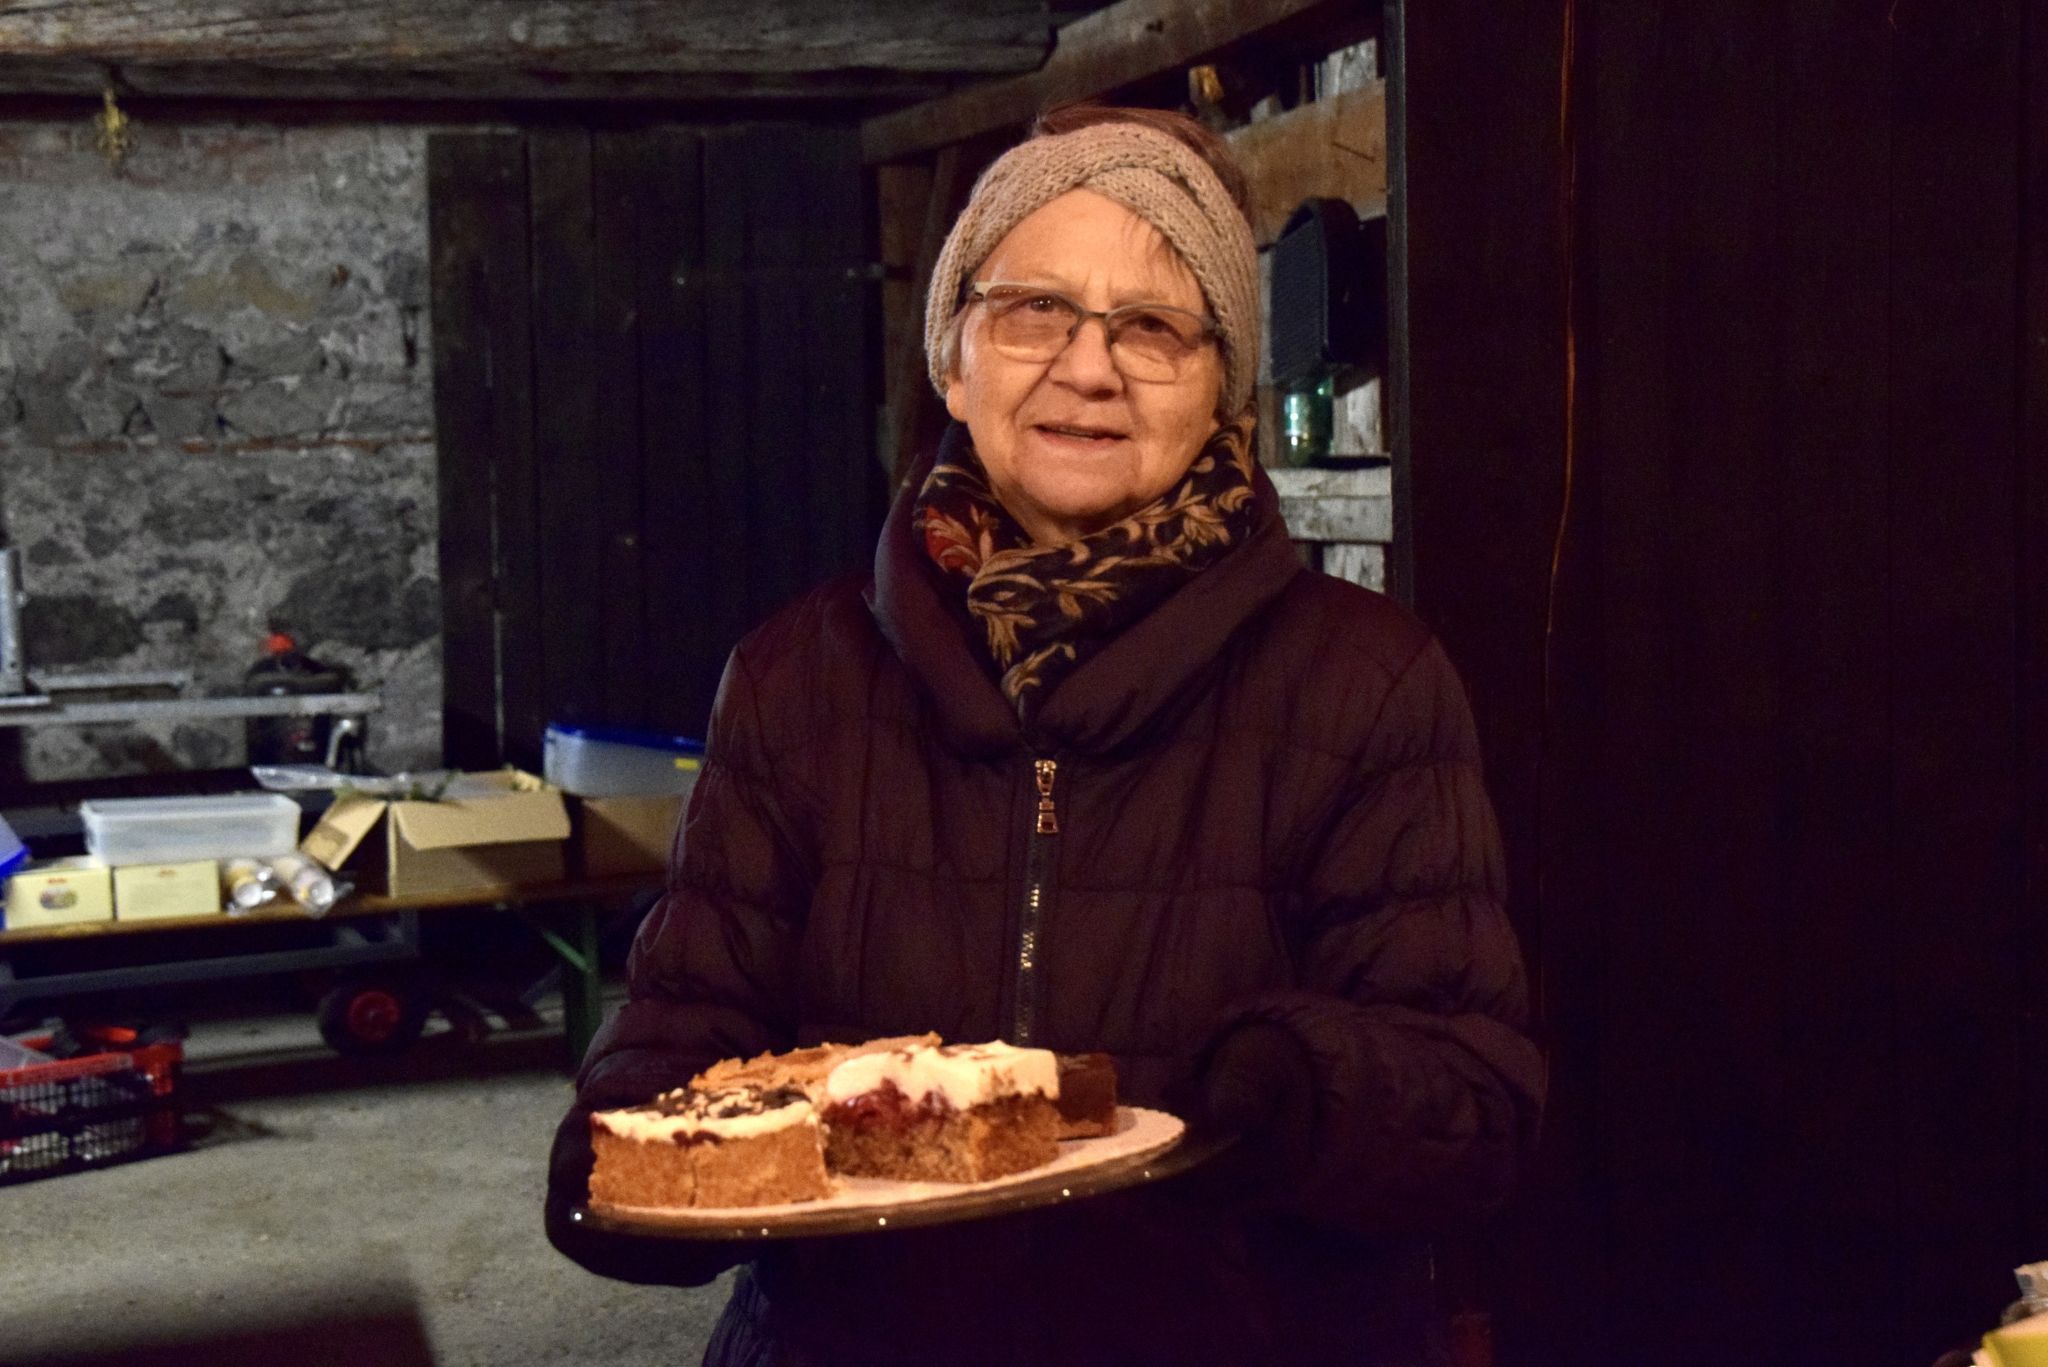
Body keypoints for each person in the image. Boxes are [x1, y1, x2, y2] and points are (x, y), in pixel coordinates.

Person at [548, 103, 1544, 1367]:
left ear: (1221, 391)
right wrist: (638, 1148)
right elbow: (686, 1023)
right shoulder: (798, 676)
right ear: (951, 360)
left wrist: (1298, 1086)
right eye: (1033, 311)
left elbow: (1476, 1105)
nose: (1088, 367)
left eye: (1152, 327)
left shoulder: (1364, 681)